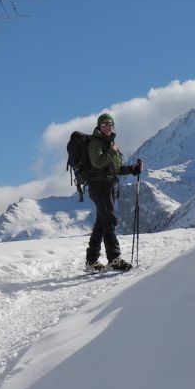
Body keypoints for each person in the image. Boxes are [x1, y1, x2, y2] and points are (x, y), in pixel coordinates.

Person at [80, 113, 143, 272]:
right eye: (104, 124)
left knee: (102, 223)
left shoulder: (111, 144)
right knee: (109, 220)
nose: (108, 126)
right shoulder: (95, 144)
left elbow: (115, 169)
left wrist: (132, 169)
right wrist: (112, 151)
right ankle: (114, 259)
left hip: (108, 186)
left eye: (110, 124)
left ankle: (91, 261)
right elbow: (98, 163)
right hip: (98, 186)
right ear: (99, 126)